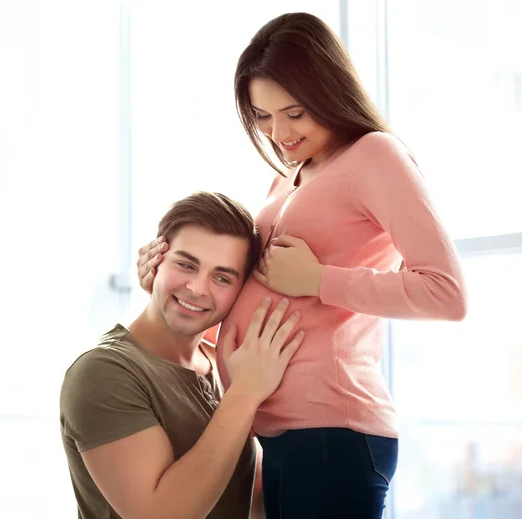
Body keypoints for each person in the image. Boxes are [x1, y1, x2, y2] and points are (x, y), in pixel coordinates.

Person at [137, 12, 468, 519]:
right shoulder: (291, 177)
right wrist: (168, 288)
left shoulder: (375, 156)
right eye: (262, 116)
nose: (278, 132)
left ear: (329, 93)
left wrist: (319, 280)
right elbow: (269, 306)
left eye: (294, 113)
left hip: (332, 430)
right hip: (280, 433)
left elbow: (446, 293)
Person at [60, 191, 306, 519]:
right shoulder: (103, 372)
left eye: (221, 277)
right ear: (156, 257)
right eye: (186, 264)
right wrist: (246, 395)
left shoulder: (226, 365)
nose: (197, 288)